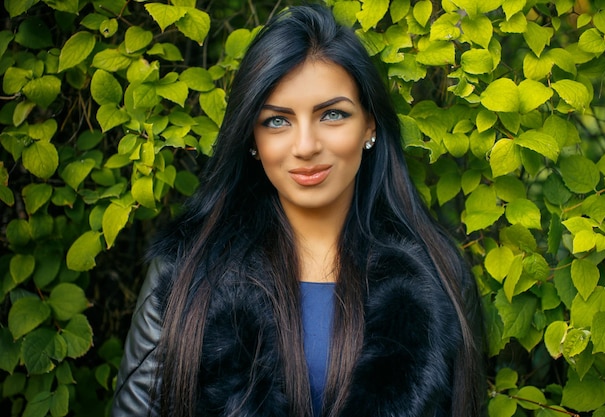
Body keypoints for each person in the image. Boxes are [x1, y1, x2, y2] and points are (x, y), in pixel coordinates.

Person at [111, 4, 484, 417]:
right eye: (277, 121)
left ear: (370, 126)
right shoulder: (185, 271)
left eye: (333, 114)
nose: (305, 145)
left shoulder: (437, 277)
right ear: (251, 137)